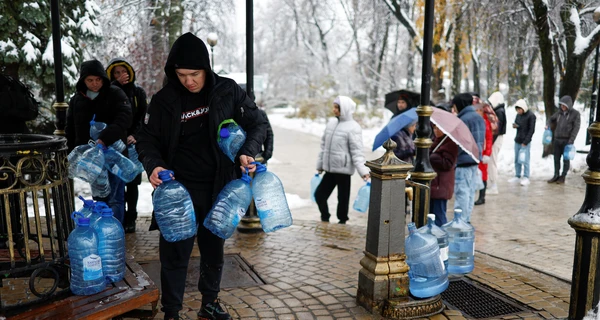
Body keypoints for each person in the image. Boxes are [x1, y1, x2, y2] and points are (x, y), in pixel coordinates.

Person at [136, 32, 267, 320]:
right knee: (174, 252)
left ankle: (209, 303)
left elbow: (258, 124)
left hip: (219, 186)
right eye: (181, 75)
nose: (189, 81)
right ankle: (172, 312)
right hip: (178, 189)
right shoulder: (164, 100)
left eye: (194, 73)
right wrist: (154, 165)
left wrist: (247, 151)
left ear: (206, 69)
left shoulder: (228, 91)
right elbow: (146, 140)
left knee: (214, 249)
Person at [65, 59, 132, 224]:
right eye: (90, 80)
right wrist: (72, 152)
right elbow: (71, 128)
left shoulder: (115, 93)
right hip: (91, 158)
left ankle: (115, 229)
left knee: (116, 197)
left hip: (114, 154)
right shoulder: (76, 100)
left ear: (103, 78)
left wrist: (105, 138)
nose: (94, 84)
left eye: (98, 79)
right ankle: (102, 229)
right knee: (99, 196)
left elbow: (124, 118)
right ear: (83, 81)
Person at [106, 58, 148, 233]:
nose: (121, 75)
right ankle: (119, 217)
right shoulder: (109, 93)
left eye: (124, 71)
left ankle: (131, 217)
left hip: (132, 144)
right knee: (116, 183)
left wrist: (135, 135)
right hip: (115, 143)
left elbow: (141, 118)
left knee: (132, 183)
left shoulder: (138, 93)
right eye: (116, 73)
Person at [315, 95, 370, 224]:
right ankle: (325, 217)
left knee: (343, 200)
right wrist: (320, 164)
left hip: (343, 170)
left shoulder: (353, 127)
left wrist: (363, 171)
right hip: (329, 169)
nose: (334, 110)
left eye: (337, 107)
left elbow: (357, 152)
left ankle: (342, 223)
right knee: (319, 195)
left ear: (344, 109)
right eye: (334, 107)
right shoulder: (331, 123)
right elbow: (323, 147)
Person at [451, 93, 485, 223]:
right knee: (470, 192)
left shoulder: (463, 120)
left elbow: (459, 142)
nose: (454, 109)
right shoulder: (478, 117)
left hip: (463, 160)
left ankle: (460, 221)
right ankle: (466, 219)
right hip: (474, 160)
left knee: (462, 193)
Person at [546, 95, 580, 184]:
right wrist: (548, 125)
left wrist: (571, 140)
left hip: (567, 140)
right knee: (556, 158)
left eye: (564, 105)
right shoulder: (559, 113)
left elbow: (576, 128)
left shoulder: (575, 114)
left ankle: (563, 176)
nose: (562, 107)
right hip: (557, 139)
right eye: (561, 105)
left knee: (566, 160)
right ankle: (556, 175)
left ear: (568, 105)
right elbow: (550, 119)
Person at [430, 122, 458, 226]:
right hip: (434, 184)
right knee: (432, 215)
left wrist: (433, 157)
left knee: (439, 216)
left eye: (439, 128)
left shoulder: (450, 143)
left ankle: (442, 239)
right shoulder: (436, 141)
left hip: (441, 185)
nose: (436, 131)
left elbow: (448, 164)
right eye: (435, 128)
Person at [508, 99, 536, 186]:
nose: (518, 111)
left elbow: (531, 130)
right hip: (518, 140)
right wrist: (515, 125)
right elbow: (518, 124)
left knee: (525, 159)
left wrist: (526, 141)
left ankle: (526, 176)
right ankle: (517, 175)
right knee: (517, 159)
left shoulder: (531, 116)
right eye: (517, 110)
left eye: (519, 109)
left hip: (525, 141)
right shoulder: (518, 115)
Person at [486, 91, 506, 194]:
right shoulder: (499, 110)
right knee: (491, 161)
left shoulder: (499, 112)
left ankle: (493, 185)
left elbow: (497, 129)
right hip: (496, 138)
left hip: (496, 139)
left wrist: (491, 142)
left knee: (492, 162)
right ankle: (491, 184)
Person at [474, 104, 493, 205]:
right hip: (475, 152)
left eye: (479, 110)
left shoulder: (485, 122)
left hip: (483, 153)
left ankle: (482, 196)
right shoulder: (475, 121)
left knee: (483, 174)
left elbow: (489, 139)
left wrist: (487, 153)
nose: (477, 112)